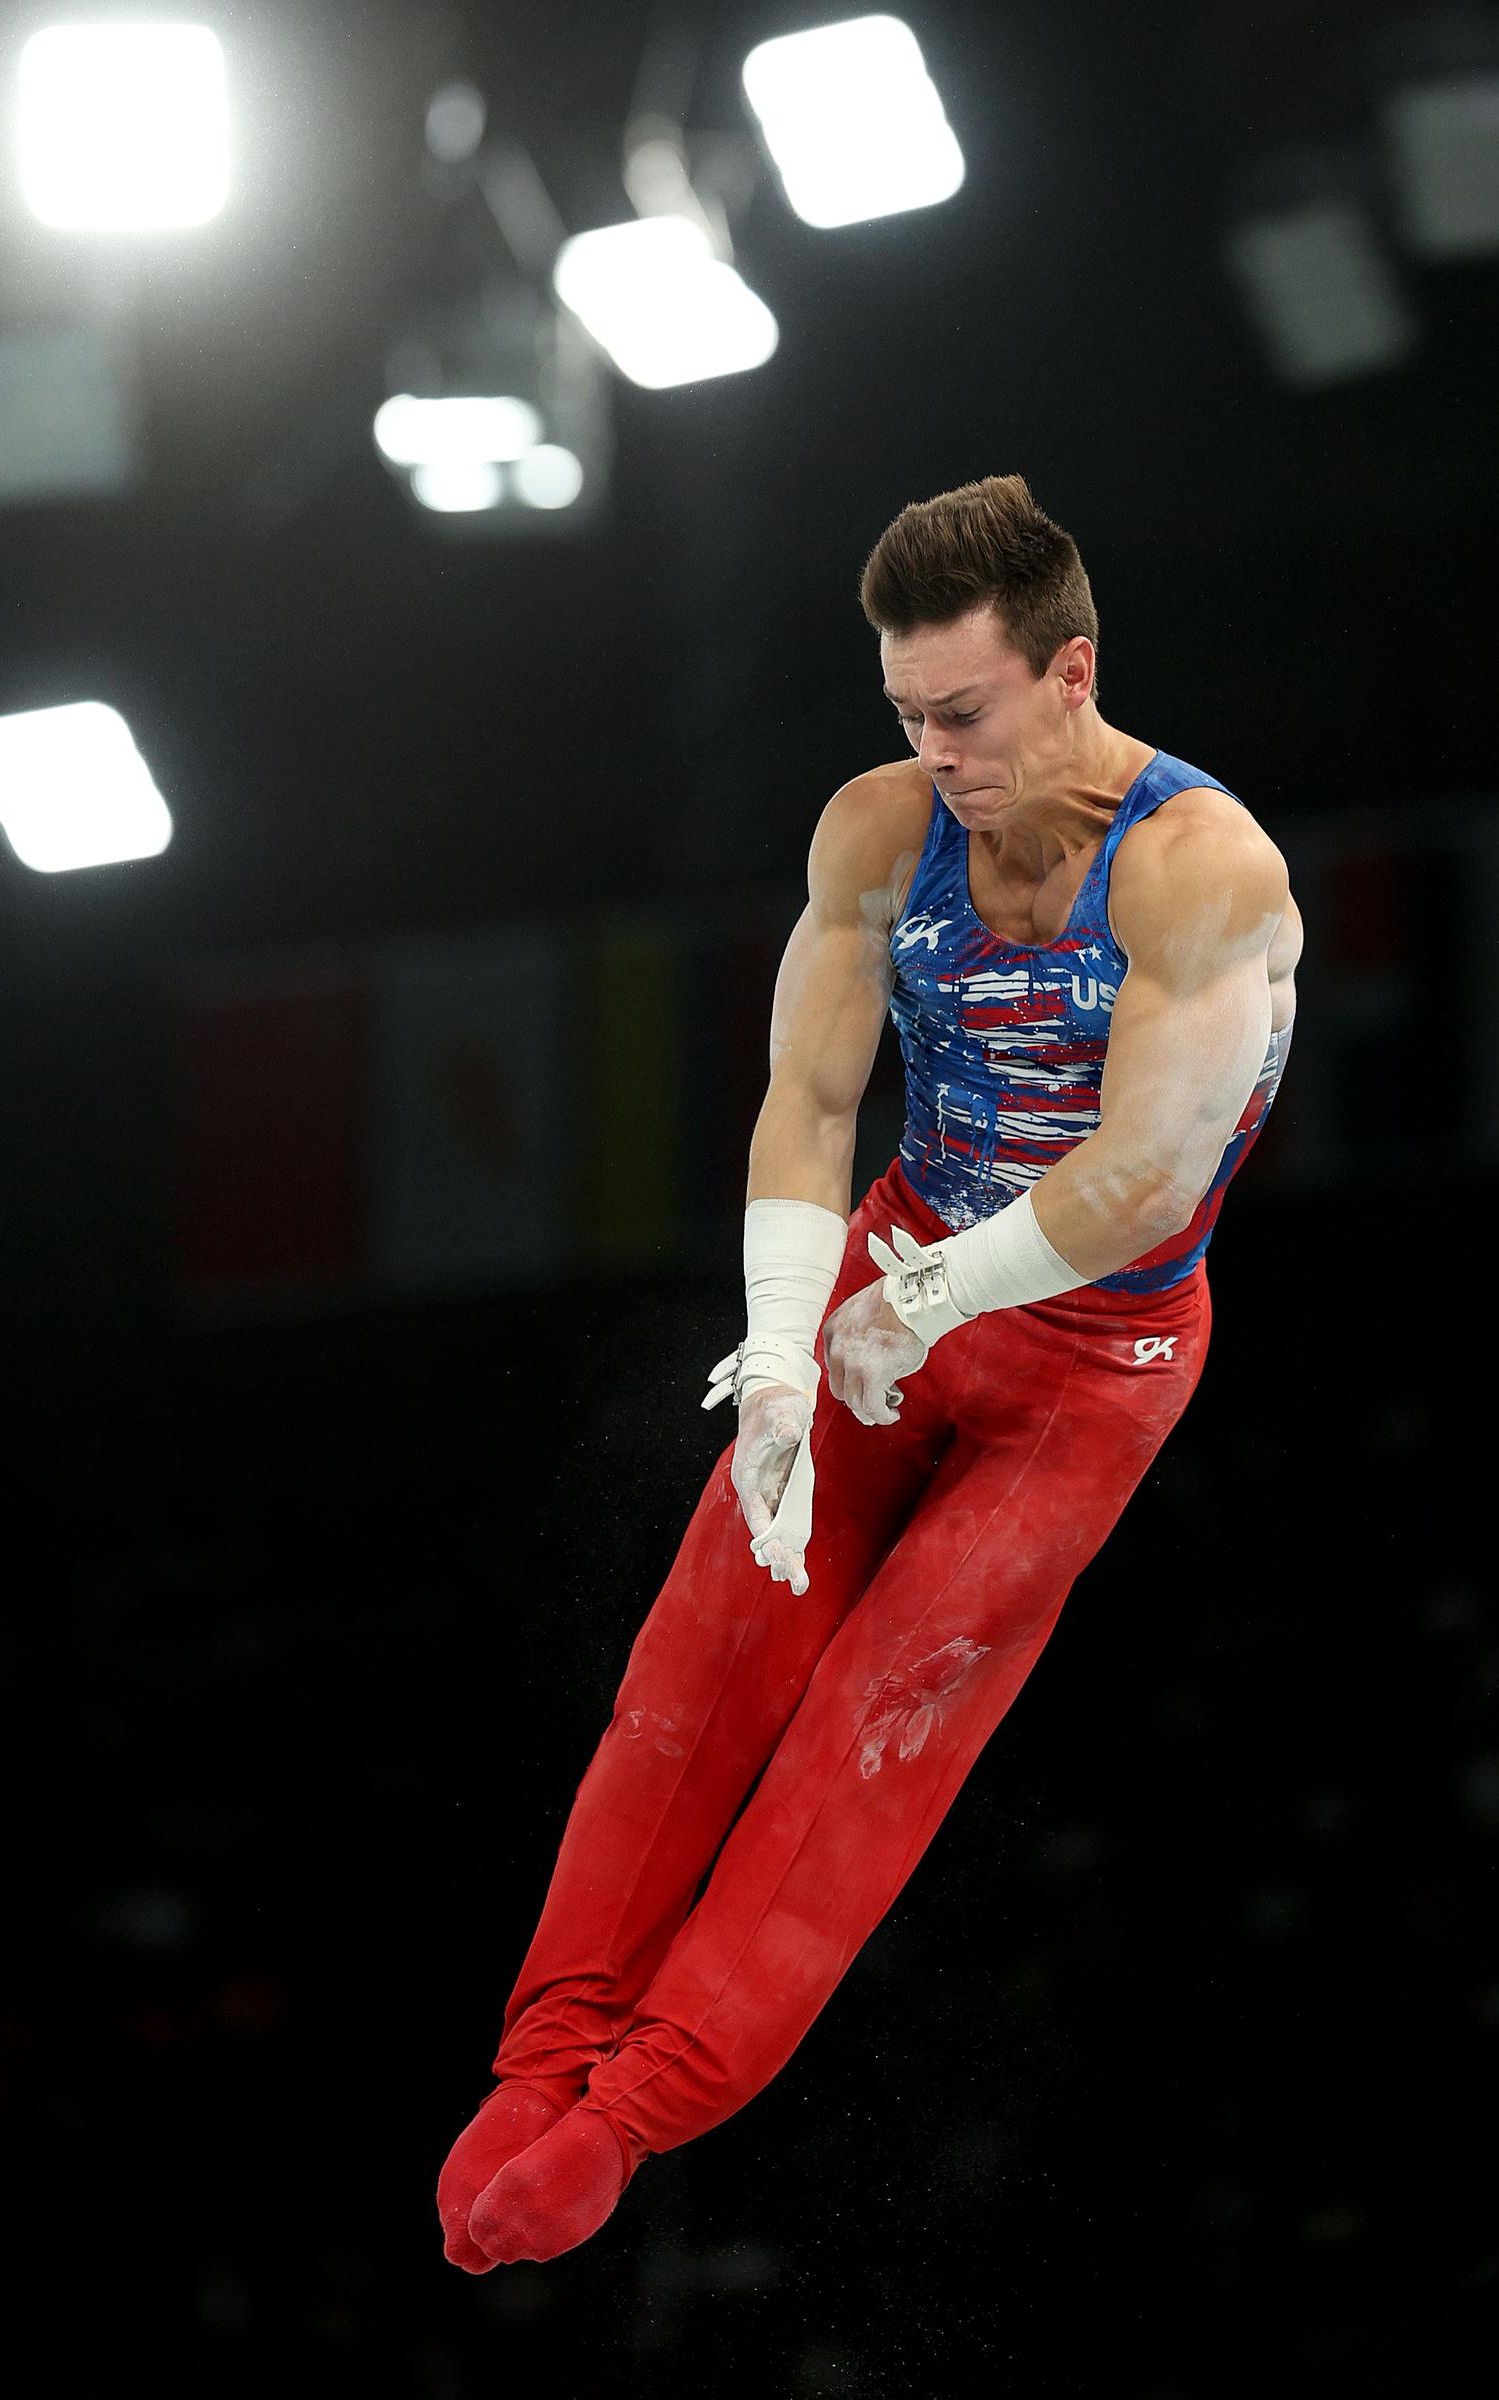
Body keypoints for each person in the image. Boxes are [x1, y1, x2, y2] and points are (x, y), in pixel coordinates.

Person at [436, 472, 1302, 2269]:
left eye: (964, 713)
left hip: (1091, 1351)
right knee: (701, 1657)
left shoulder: (1202, 870)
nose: (936, 752)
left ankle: (634, 2113)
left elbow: (1138, 1178)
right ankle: (538, 2063)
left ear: (1070, 671)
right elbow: (811, 1101)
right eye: (906, 712)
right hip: (888, 1268)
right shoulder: (874, 829)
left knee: (870, 1725)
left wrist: (926, 1304)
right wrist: (775, 1354)